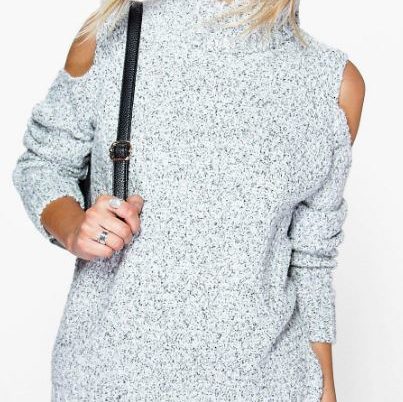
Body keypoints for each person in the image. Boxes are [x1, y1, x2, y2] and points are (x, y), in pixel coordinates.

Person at [12, 0, 365, 400]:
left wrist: (325, 390)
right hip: (112, 381)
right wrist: (74, 227)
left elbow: (312, 256)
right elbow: (45, 163)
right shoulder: (112, 36)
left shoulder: (332, 84)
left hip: (267, 385)